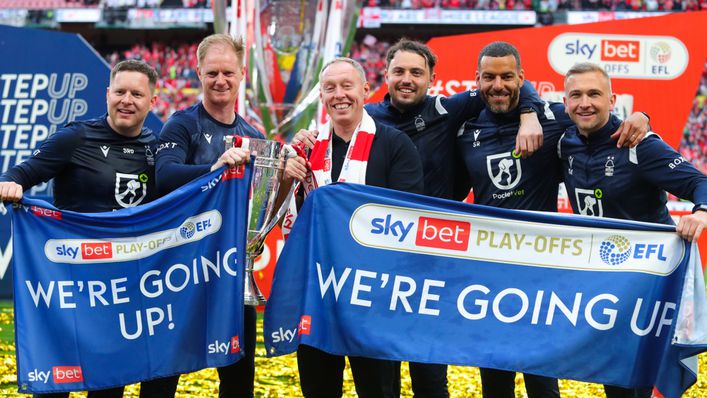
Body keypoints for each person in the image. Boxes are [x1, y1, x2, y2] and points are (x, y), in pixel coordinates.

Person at [456, 42, 650, 398]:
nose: (498, 85)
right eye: (489, 77)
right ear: (478, 79)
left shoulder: (555, 117)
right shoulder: (464, 126)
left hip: (539, 268)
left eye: (508, 77)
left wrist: (642, 118)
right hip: (488, 267)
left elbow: (598, 119)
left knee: (539, 371)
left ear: (522, 78)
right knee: (493, 371)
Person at [0, 60, 178, 397]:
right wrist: (9, 183)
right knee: (56, 383)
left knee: (109, 387)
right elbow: (22, 173)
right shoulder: (76, 136)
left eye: (137, 94)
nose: (127, 100)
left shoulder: (158, 150)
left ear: (153, 102)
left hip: (121, 290)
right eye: (120, 91)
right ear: (107, 94)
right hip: (72, 285)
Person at [558, 62, 707, 397]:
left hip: (649, 284)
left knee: (645, 381)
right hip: (603, 283)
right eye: (576, 95)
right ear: (564, 102)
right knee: (615, 380)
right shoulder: (563, 141)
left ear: (613, 101)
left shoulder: (639, 144)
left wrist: (701, 213)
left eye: (595, 94)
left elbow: (700, 182)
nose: (585, 103)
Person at [284, 57, 424, 398]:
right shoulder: (306, 148)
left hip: (371, 295)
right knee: (318, 389)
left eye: (347, 86)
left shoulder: (393, 144)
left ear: (365, 90)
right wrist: (285, 177)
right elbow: (286, 217)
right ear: (322, 96)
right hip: (318, 291)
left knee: (377, 389)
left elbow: (408, 219)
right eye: (330, 88)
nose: (339, 95)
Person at [154, 33, 261, 398]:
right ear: (198, 73)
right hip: (180, 270)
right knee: (164, 373)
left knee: (238, 376)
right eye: (212, 72)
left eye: (228, 72)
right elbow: (164, 175)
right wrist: (214, 168)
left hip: (231, 272)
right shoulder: (181, 124)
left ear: (241, 73)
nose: (220, 80)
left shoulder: (252, 135)